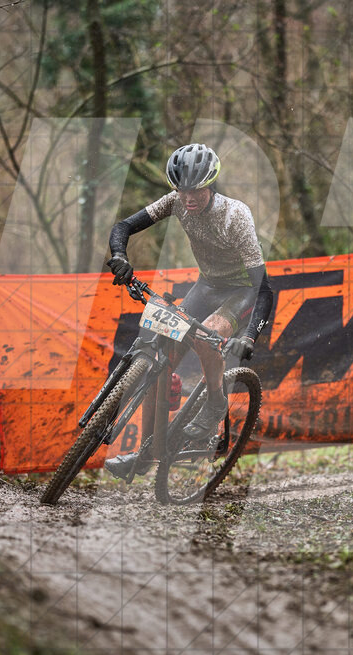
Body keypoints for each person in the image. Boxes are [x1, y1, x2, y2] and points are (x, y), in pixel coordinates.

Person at [103, 143, 274, 480]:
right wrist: (120, 255)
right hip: (207, 285)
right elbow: (123, 226)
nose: (188, 198)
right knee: (160, 357)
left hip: (242, 291)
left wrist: (250, 335)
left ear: (211, 184)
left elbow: (263, 288)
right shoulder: (176, 202)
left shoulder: (234, 216)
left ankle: (215, 403)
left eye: (196, 190)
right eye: (182, 190)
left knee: (205, 334)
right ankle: (147, 453)